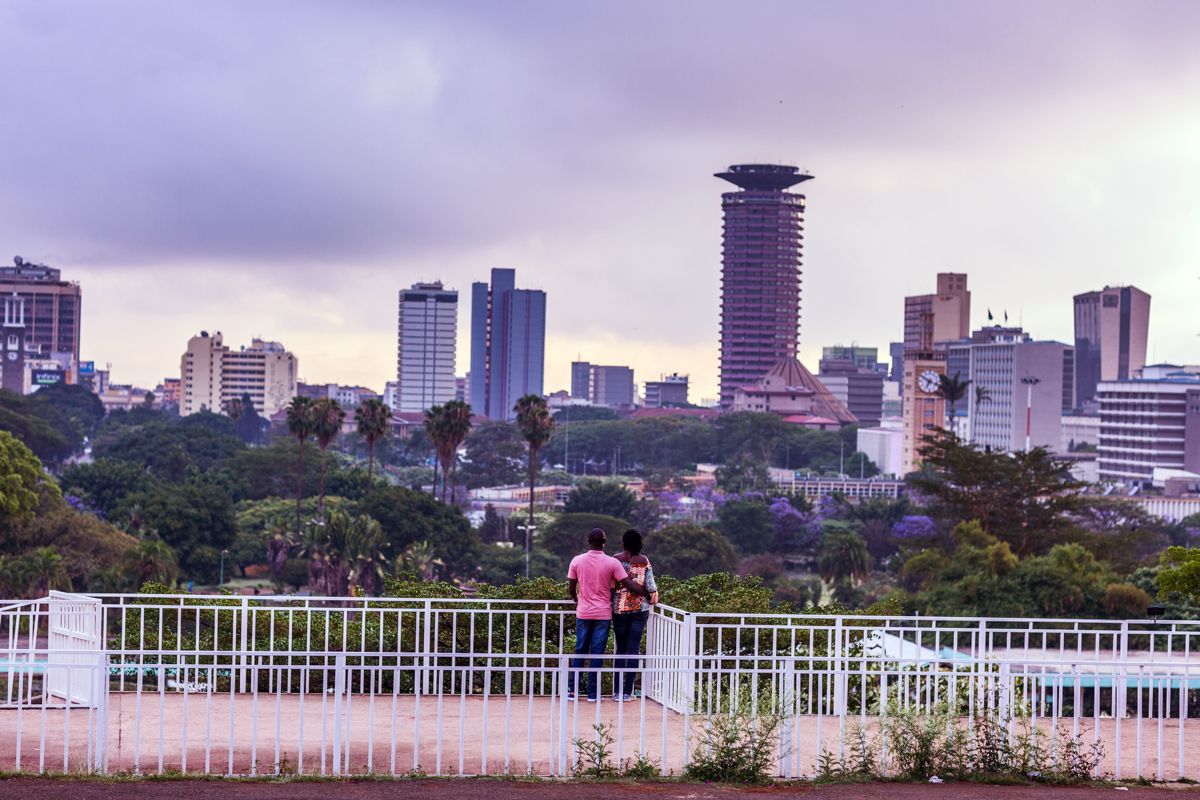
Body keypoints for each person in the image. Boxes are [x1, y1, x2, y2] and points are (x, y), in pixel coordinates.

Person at [567, 528, 650, 701]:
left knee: (580, 650)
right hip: (603, 614)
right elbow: (629, 585)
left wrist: (577, 599)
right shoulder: (611, 563)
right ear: (604, 542)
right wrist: (649, 594)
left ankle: (573, 691)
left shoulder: (576, 560)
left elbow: (571, 589)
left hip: (583, 612)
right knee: (597, 652)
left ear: (589, 540)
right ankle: (593, 694)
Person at [611, 528, 657, 701]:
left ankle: (616, 691)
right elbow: (651, 586)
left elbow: (610, 584)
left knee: (620, 650)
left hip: (619, 609)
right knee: (633, 650)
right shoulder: (644, 560)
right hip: (640, 609)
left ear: (624, 542)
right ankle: (628, 692)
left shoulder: (615, 559)